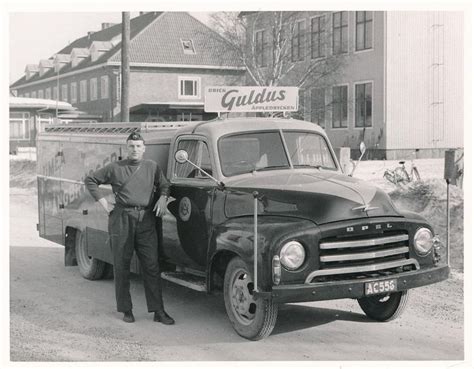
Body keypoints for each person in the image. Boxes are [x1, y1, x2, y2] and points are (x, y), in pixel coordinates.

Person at [85, 132, 174, 325]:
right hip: (122, 220)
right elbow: (91, 180)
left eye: (138, 146)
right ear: (127, 148)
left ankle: (158, 311)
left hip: (146, 220)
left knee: (151, 266)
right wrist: (103, 203)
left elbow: (165, 185)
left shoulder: (152, 167)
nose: (135, 149)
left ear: (144, 148)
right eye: (131, 146)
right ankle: (126, 310)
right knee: (122, 265)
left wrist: (162, 197)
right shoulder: (116, 168)